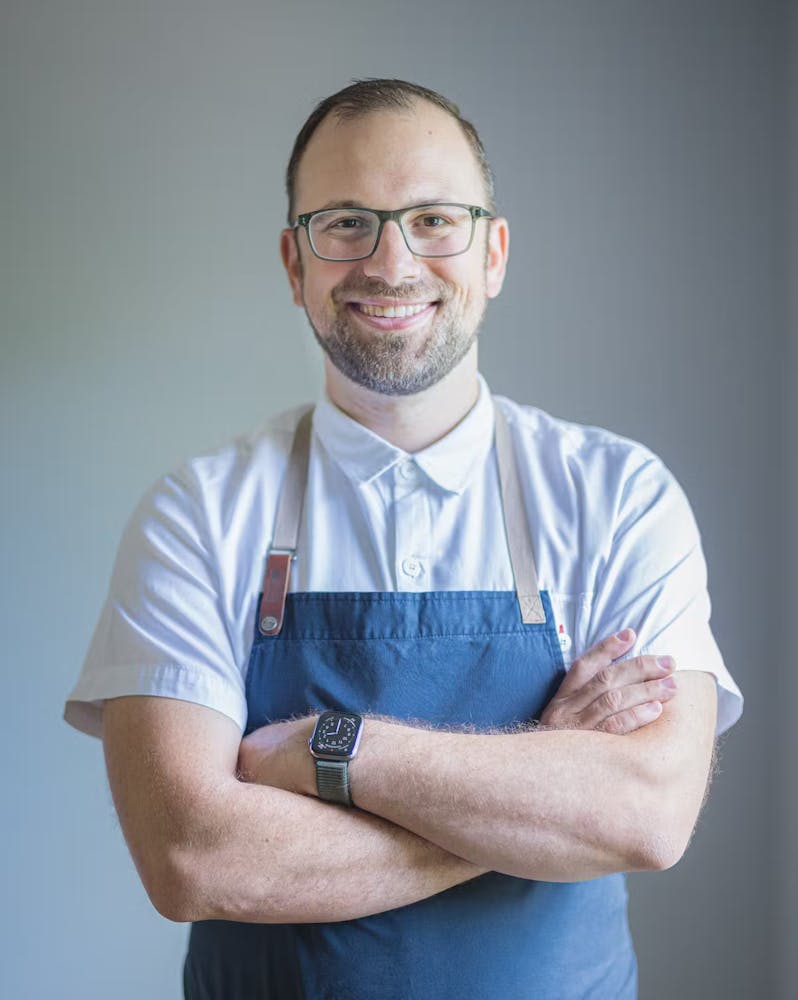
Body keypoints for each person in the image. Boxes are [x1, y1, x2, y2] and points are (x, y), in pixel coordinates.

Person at [64, 79, 743, 999]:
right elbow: (195, 858)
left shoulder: (619, 497)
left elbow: (647, 815)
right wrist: (541, 769)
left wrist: (332, 750)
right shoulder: (197, 515)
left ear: (492, 254)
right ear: (294, 263)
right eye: (346, 223)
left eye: (433, 220)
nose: (391, 264)